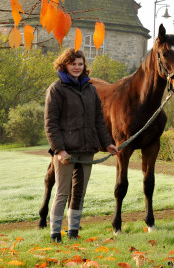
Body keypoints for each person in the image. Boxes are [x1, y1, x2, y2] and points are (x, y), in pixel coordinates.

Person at [44, 48, 118, 242]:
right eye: (73, 64)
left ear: (84, 66)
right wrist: (59, 150)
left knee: (79, 194)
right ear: (64, 65)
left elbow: (99, 122)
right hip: (66, 152)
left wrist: (108, 143)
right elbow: (50, 123)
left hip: (87, 149)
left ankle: (73, 233)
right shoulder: (56, 89)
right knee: (62, 193)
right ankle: (55, 235)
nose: (77, 67)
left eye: (80, 64)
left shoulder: (90, 89)